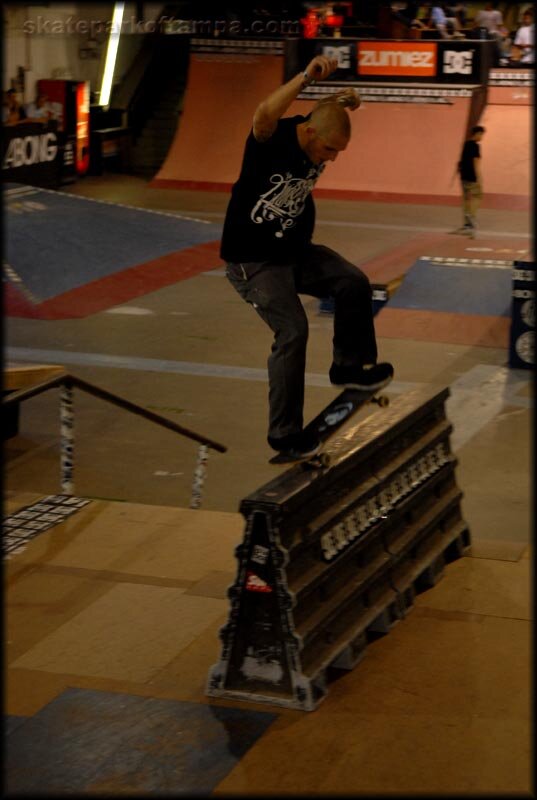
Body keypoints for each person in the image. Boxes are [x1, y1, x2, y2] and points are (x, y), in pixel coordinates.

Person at [220, 55, 394, 461]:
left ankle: (349, 367)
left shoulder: (316, 125)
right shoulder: (270, 141)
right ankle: (284, 433)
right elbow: (264, 112)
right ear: (310, 133)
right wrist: (305, 76)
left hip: (294, 251)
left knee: (352, 281)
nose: (330, 159)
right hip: (254, 260)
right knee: (293, 331)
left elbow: (323, 113)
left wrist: (342, 100)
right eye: (330, 150)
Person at [450, 125, 485, 239]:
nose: (482, 137)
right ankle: (471, 216)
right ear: (477, 133)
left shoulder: (465, 144)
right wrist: (479, 178)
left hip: (463, 176)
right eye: (481, 135)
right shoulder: (476, 146)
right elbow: (476, 162)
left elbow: (460, 161)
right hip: (472, 177)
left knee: (466, 199)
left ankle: (466, 225)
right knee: (478, 196)